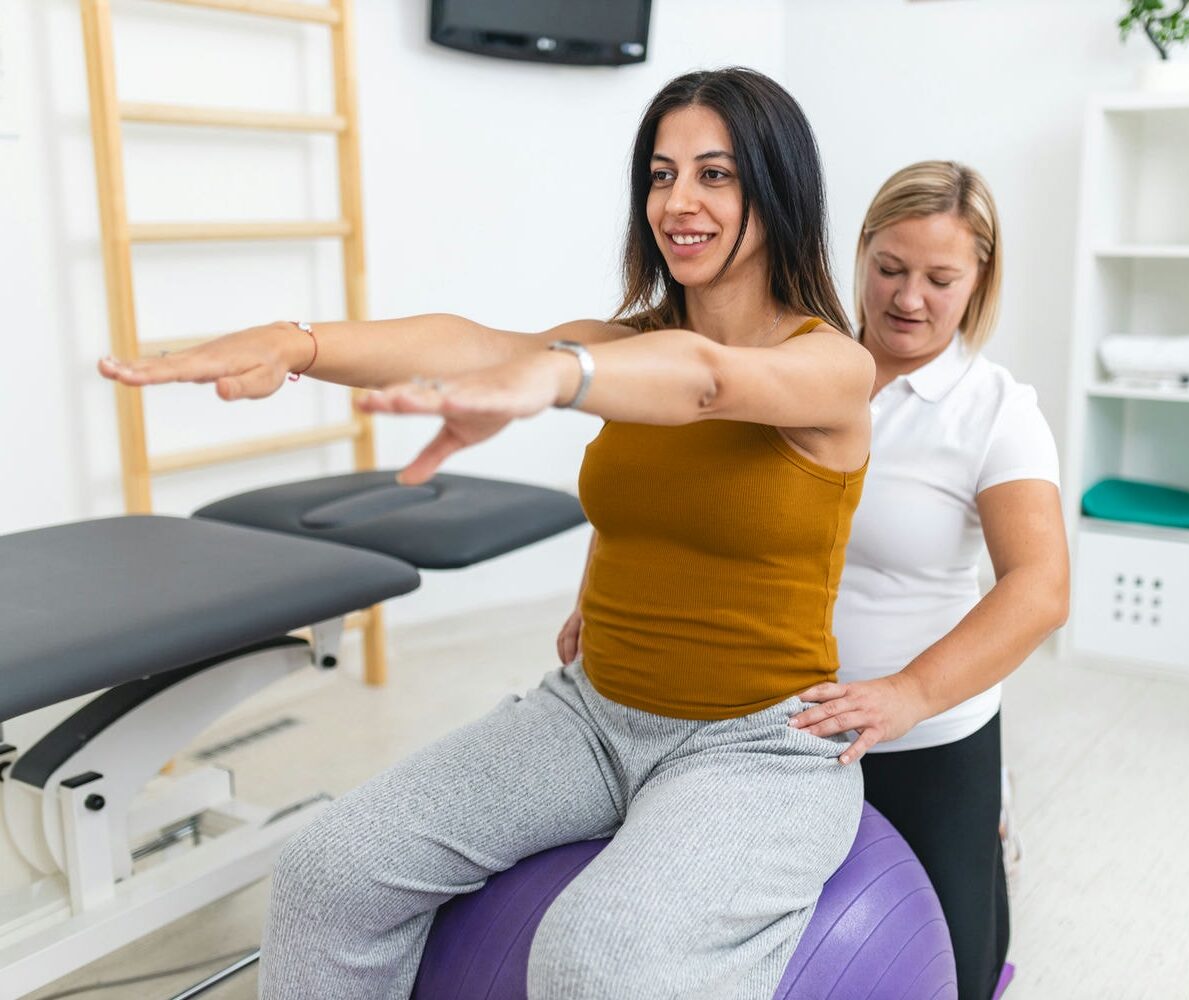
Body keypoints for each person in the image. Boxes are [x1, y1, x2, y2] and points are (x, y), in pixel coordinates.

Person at [100, 68, 873, 1000]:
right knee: (326, 871)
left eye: (716, 174)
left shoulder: (832, 366)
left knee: (595, 958)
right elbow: (465, 343)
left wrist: (553, 378)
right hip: (592, 715)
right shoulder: (618, 346)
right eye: (661, 174)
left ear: (777, 189)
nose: (679, 202)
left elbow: (706, 380)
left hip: (759, 747)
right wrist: (295, 343)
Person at [787, 160, 1070, 999]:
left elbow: (1041, 588)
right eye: (889, 269)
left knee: (954, 970)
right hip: (783, 717)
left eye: (940, 279)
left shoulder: (995, 409)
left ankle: (987, 826)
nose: (908, 298)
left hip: (926, 730)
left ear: (979, 281)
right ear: (862, 254)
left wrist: (906, 693)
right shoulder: (801, 369)